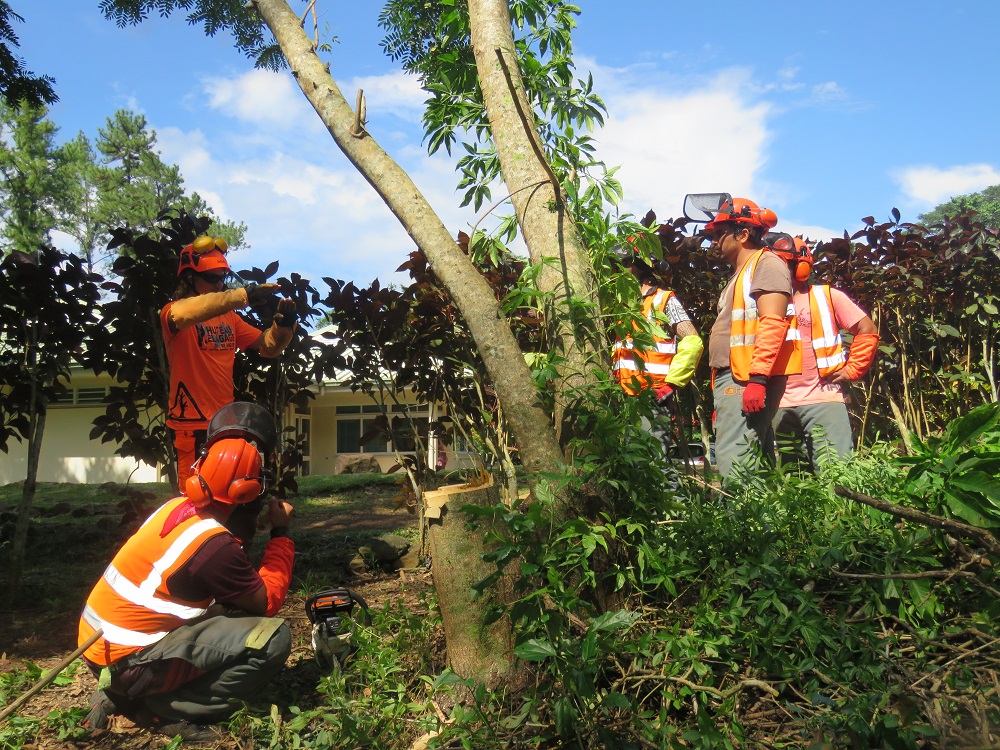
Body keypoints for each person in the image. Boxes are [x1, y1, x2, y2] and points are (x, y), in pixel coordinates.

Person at [78, 414, 295, 742]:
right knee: (273, 638)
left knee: (225, 611)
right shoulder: (214, 548)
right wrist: (280, 532)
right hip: (132, 664)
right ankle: (169, 708)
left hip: (100, 649)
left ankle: (120, 692)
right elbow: (266, 602)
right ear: (249, 490)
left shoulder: (175, 508)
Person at [160, 236, 297, 492]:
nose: (219, 284)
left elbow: (268, 348)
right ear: (189, 276)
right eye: (211, 277)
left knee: (227, 493)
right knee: (194, 496)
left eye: (222, 277)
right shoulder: (172, 313)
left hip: (225, 422)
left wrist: (283, 326)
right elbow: (188, 310)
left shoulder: (229, 318)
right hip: (190, 424)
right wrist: (242, 295)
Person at [699, 195, 801, 482]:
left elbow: (773, 322)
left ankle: (740, 524)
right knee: (756, 458)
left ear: (743, 234)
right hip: (738, 375)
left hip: (745, 377)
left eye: (719, 234)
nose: (714, 241)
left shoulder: (766, 264)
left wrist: (757, 380)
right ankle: (761, 524)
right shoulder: (742, 273)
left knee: (736, 459)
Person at [766, 234, 880, 470]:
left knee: (836, 473)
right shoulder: (763, 301)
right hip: (779, 404)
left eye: (783, 264)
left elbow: (867, 329)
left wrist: (852, 369)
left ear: (802, 266)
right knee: (793, 480)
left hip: (824, 399)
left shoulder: (827, 296)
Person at [611, 242, 704, 458]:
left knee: (653, 463)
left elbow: (693, 341)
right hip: (623, 396)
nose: (618, 269)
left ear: (641, 265)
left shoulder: (663, 300)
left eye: (625, 263)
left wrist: (670, 385)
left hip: (652, 397)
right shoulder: (619, 303)